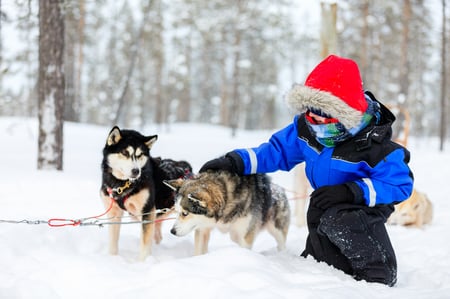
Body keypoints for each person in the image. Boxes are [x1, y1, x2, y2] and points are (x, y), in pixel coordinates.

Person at [199, 54, 414, 286]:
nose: (315, 123)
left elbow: (399, 184)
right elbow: (277, 151)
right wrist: (235, 161)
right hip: (326, 197)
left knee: (343, 219)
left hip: (363, 204)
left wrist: (352, 191)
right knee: (320, 216)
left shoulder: (375, 146)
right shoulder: (307, 129)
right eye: (310, 114)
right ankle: (326, 267)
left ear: (344, 114)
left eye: (323, 118)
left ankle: (379, 273)